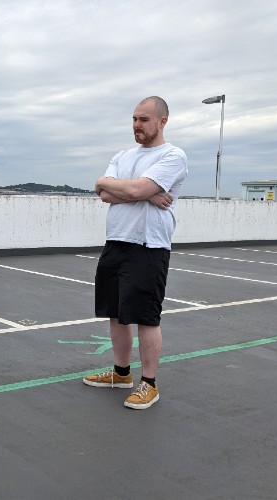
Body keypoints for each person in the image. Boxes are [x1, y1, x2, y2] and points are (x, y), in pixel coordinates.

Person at [82, 96, 188, 410]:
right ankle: (121, 374)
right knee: (117, 313)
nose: (136, 125)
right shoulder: (123, 155)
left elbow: (130, 191)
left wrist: (126, 188)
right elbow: (104, 194)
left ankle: (149, 384)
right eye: (134, 119)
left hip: (148, 246)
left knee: (145, 317)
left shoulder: (173, 155)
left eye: (143, 119)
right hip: (116, 242)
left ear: (162, 121)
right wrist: (136, 192)